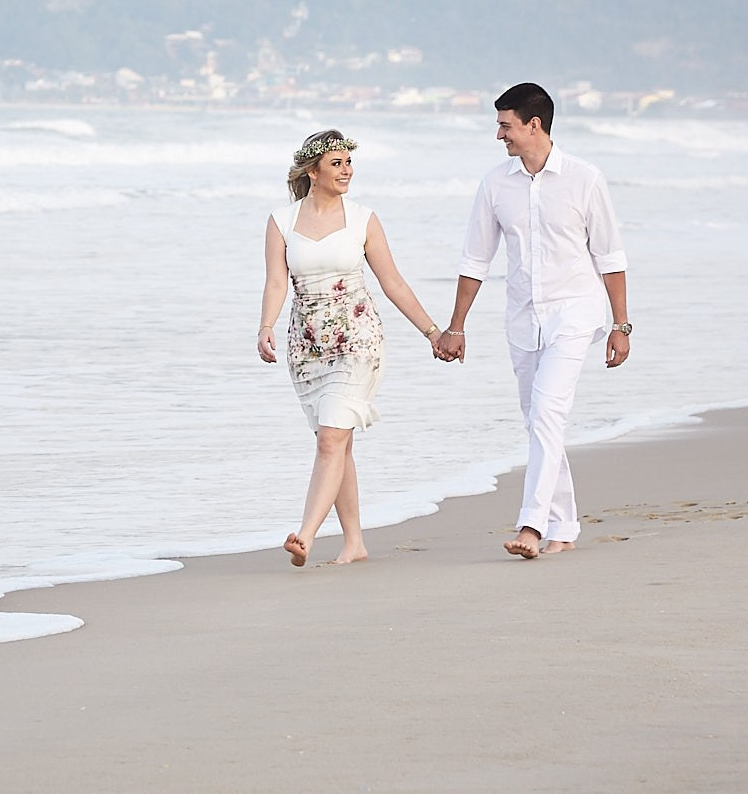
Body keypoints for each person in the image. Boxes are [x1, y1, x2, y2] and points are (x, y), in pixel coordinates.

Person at [436, 83, 632, 561]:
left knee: (546, 414)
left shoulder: (585, 179)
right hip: (523, 318)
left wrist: (620, 326)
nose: (498, 134)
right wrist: (456, 326)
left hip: (575, 313)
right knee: (539, 421)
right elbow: (475, 259)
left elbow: (609, 256)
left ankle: (531, 525)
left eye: (505, 125)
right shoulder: (495, 184)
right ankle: (564, 526)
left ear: (534, 125)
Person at [259, 129, 449, 567]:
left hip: (357, 338)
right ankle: (354, 543)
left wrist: (432, 331)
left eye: (349, 162)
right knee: (336, 442)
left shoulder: (363, 218)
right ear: (313, 170)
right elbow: (275, 281)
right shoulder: (281, 221)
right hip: (306, 346)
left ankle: (304, 534)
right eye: (337, 164)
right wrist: (265, 326)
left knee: (331, 438)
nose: (347, 171)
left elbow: (393, 282)